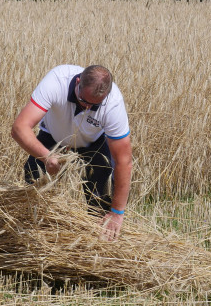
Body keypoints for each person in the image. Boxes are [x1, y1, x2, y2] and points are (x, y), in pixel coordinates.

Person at [11, 65, 131, 240]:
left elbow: (123, 161)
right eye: (84, 101)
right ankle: (33, 237)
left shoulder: (113, 104)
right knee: (33, 182)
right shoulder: (56, 81)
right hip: (53, 136)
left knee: (101, 199)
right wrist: (46, 157)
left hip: (93, 142)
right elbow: (19, 128)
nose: (87, 108)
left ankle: (96, 246)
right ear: (77, 82)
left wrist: (117, 213)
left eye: (94, 105)